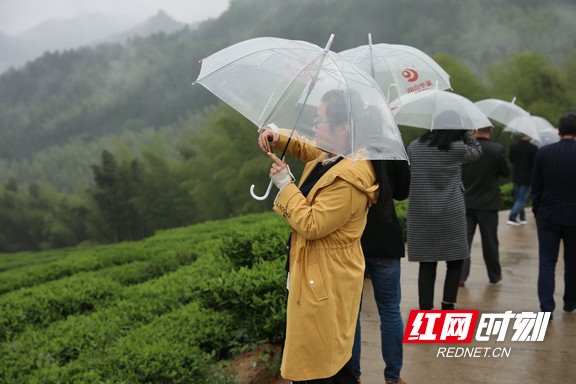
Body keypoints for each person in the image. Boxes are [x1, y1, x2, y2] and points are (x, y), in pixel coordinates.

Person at [257, 89, 380, 383]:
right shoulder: (336, 157)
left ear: (343, 128)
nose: (314, 126)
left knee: (324, 365)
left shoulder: (349, 178)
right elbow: (310, 149)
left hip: (326, 279)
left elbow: (312, 224)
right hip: (316, 274)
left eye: (319, 120)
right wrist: (279, 136)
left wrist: (285, 184)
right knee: (326, 359)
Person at [406, 110, 482, 310]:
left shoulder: (414, 147)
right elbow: (477, 151)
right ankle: (447, 304)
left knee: (427, 262)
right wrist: (466, 132)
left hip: (422, 212)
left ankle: (425, 308)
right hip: (451, 210)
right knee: (455, 259)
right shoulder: (457, 148)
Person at [351, 159, 410, 384]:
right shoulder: (390, 148)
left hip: (354, 241)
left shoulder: (349, 148)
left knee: (351, 315)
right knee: (390, 311)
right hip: (386, 238)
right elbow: (402, 192)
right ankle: (393, 378)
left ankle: (353, 377)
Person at [531, 112, 576, 316]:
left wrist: (537, 211)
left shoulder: (544, 153)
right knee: (573, 261)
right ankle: (570, 303)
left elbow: (536, 188)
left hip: (548, 215)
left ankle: (546, 308)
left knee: (547, 262)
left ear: (559, 131)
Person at [460, 127, 509, 286]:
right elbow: (505, 172)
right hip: (488, 203)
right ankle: (494, 275)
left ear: (474, 130)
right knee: (490, 242)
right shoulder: (497, 149)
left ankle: (461, 275)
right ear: (491, 130)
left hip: (467, 201)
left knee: (464, 241)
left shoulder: (465, 149)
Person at [507, 134, 538, 225]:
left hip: (516, 175)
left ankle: (522, 217)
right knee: (521, 199)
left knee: (518, 198)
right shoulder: (533, 148)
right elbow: (535, 163)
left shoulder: (514, 146)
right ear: (528, 135)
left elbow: (511, 159)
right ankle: (512, 217)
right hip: (528, 177)